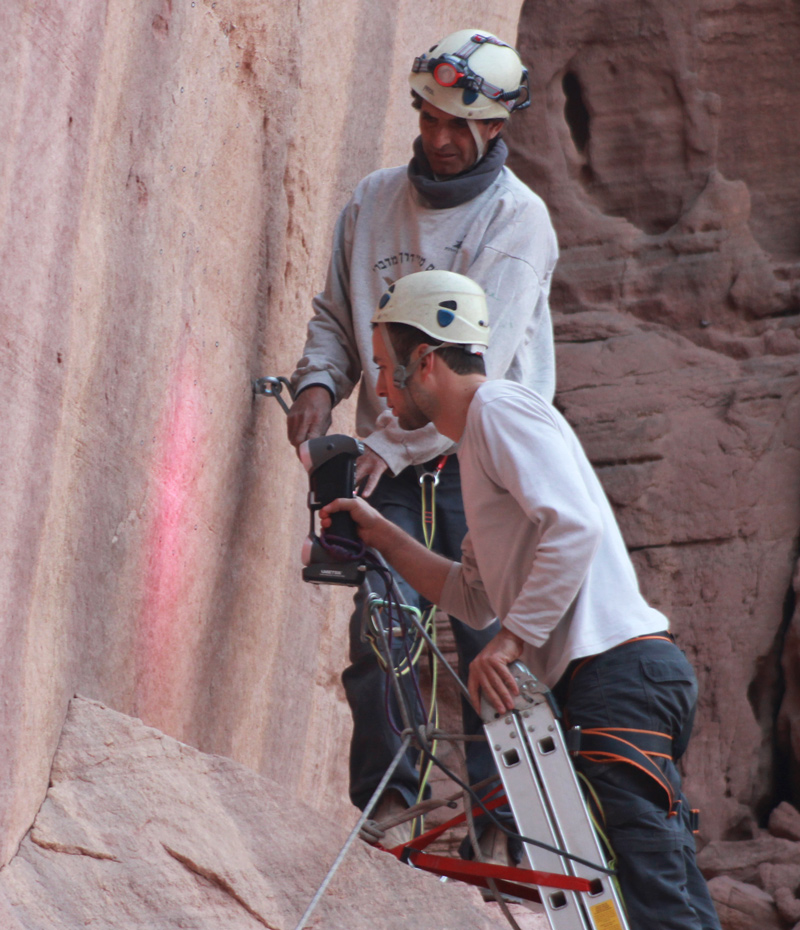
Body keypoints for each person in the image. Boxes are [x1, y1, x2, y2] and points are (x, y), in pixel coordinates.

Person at [319, 270, 722, 930]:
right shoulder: (478, 447)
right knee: (649, 896)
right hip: (615, 681)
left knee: (657, 899)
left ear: (425, 362)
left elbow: (575, 527)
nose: (382, 393)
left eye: (386, 370)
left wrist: (508, 645)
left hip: (619, 674)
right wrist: (384, 536)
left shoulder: (501, 411)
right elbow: (471, 597)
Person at [286, 28, 558, 862]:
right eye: (430, 115)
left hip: (484, 458)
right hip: (390, 453)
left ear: (497, 128)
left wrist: (389, 447)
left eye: (461, 124)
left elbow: (478, 363)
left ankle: (505, 833)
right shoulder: (373, 201)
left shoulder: (519, 222)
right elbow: (337, 316)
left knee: (487, 644)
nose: (440, 138)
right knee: (385, 629)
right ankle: (389, 808)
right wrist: (317, 386)